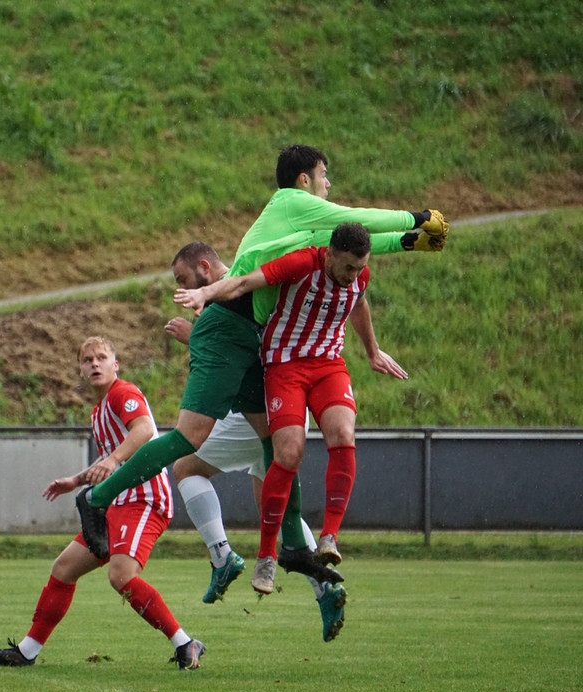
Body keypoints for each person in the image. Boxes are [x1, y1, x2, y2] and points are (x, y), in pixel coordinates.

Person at [76, 144, 446, 573]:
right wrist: (417, 217)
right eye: (324, 175)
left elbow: (354, 245)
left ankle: (293, 546)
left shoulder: (305, 230)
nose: (328, 184)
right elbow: (356, 218)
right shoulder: (292, 202)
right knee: (189, 437)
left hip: (247, 333)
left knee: (277, 440)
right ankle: (97, 498)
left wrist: (410, 242)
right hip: (227, 328)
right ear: (304, 180)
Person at [174, 222, 408, 598]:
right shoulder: (294, 266)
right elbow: (245, 287)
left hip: (309, 375)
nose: (352, 276)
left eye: (183, 280)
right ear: (330, 254)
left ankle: (293, 545)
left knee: (190, 466)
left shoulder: (350, 276)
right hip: (283, 374)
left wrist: (372, 351)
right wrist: (204, 303)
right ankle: (303, 575)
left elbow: (356, 301)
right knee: (281, 470)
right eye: (348, 267)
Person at [0, 336, 205, 670]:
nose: (95, 363)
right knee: (63, 569)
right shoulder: (99, 410)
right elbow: (110, 458)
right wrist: (77, 480)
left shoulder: (122, 393)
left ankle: (186, 643)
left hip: (144, 497)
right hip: (118, 501)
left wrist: (112, 460)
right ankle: (26, 652)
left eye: (101, 357)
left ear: (116, 364)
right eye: (87, 360)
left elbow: (144, 430)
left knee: (121, 576)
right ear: (80, 370)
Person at [168, 241, 346, 642]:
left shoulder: (234, 292)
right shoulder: (255, 282)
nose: (182, 288)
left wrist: (193, 337)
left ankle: (222, 556)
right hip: (289, 407)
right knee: (273, 505)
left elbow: (245, 354)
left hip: (263, 412)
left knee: (185, 467)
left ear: (204, 267)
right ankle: (326, 587)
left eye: (183, 279)